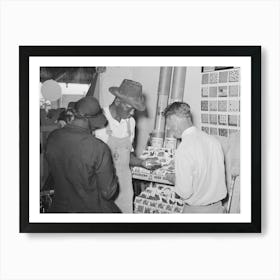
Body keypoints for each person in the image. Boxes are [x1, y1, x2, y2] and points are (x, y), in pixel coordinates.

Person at [45, 96, 120, 213]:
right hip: (88, 211)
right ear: (91, 121)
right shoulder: (99, 147)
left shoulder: (52, 137)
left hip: (59, 209)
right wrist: (114, 176)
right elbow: (108, 193)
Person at [95, 79, 160, 213]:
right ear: (117, 101)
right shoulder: (98, 120)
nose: (132, 113)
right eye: (130, 108)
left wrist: (143, 163)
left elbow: (127, 156)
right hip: (101, 186)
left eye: (134, 110)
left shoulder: (130, 123)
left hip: (124, 185)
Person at [164, 102, 227, 213]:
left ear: (175, 120)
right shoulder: (213, 141)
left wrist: (172, 178)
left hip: (197, 211)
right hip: (218, 209)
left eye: (169, 125)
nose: (169, 129)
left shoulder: (184, 148)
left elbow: (185, 192)